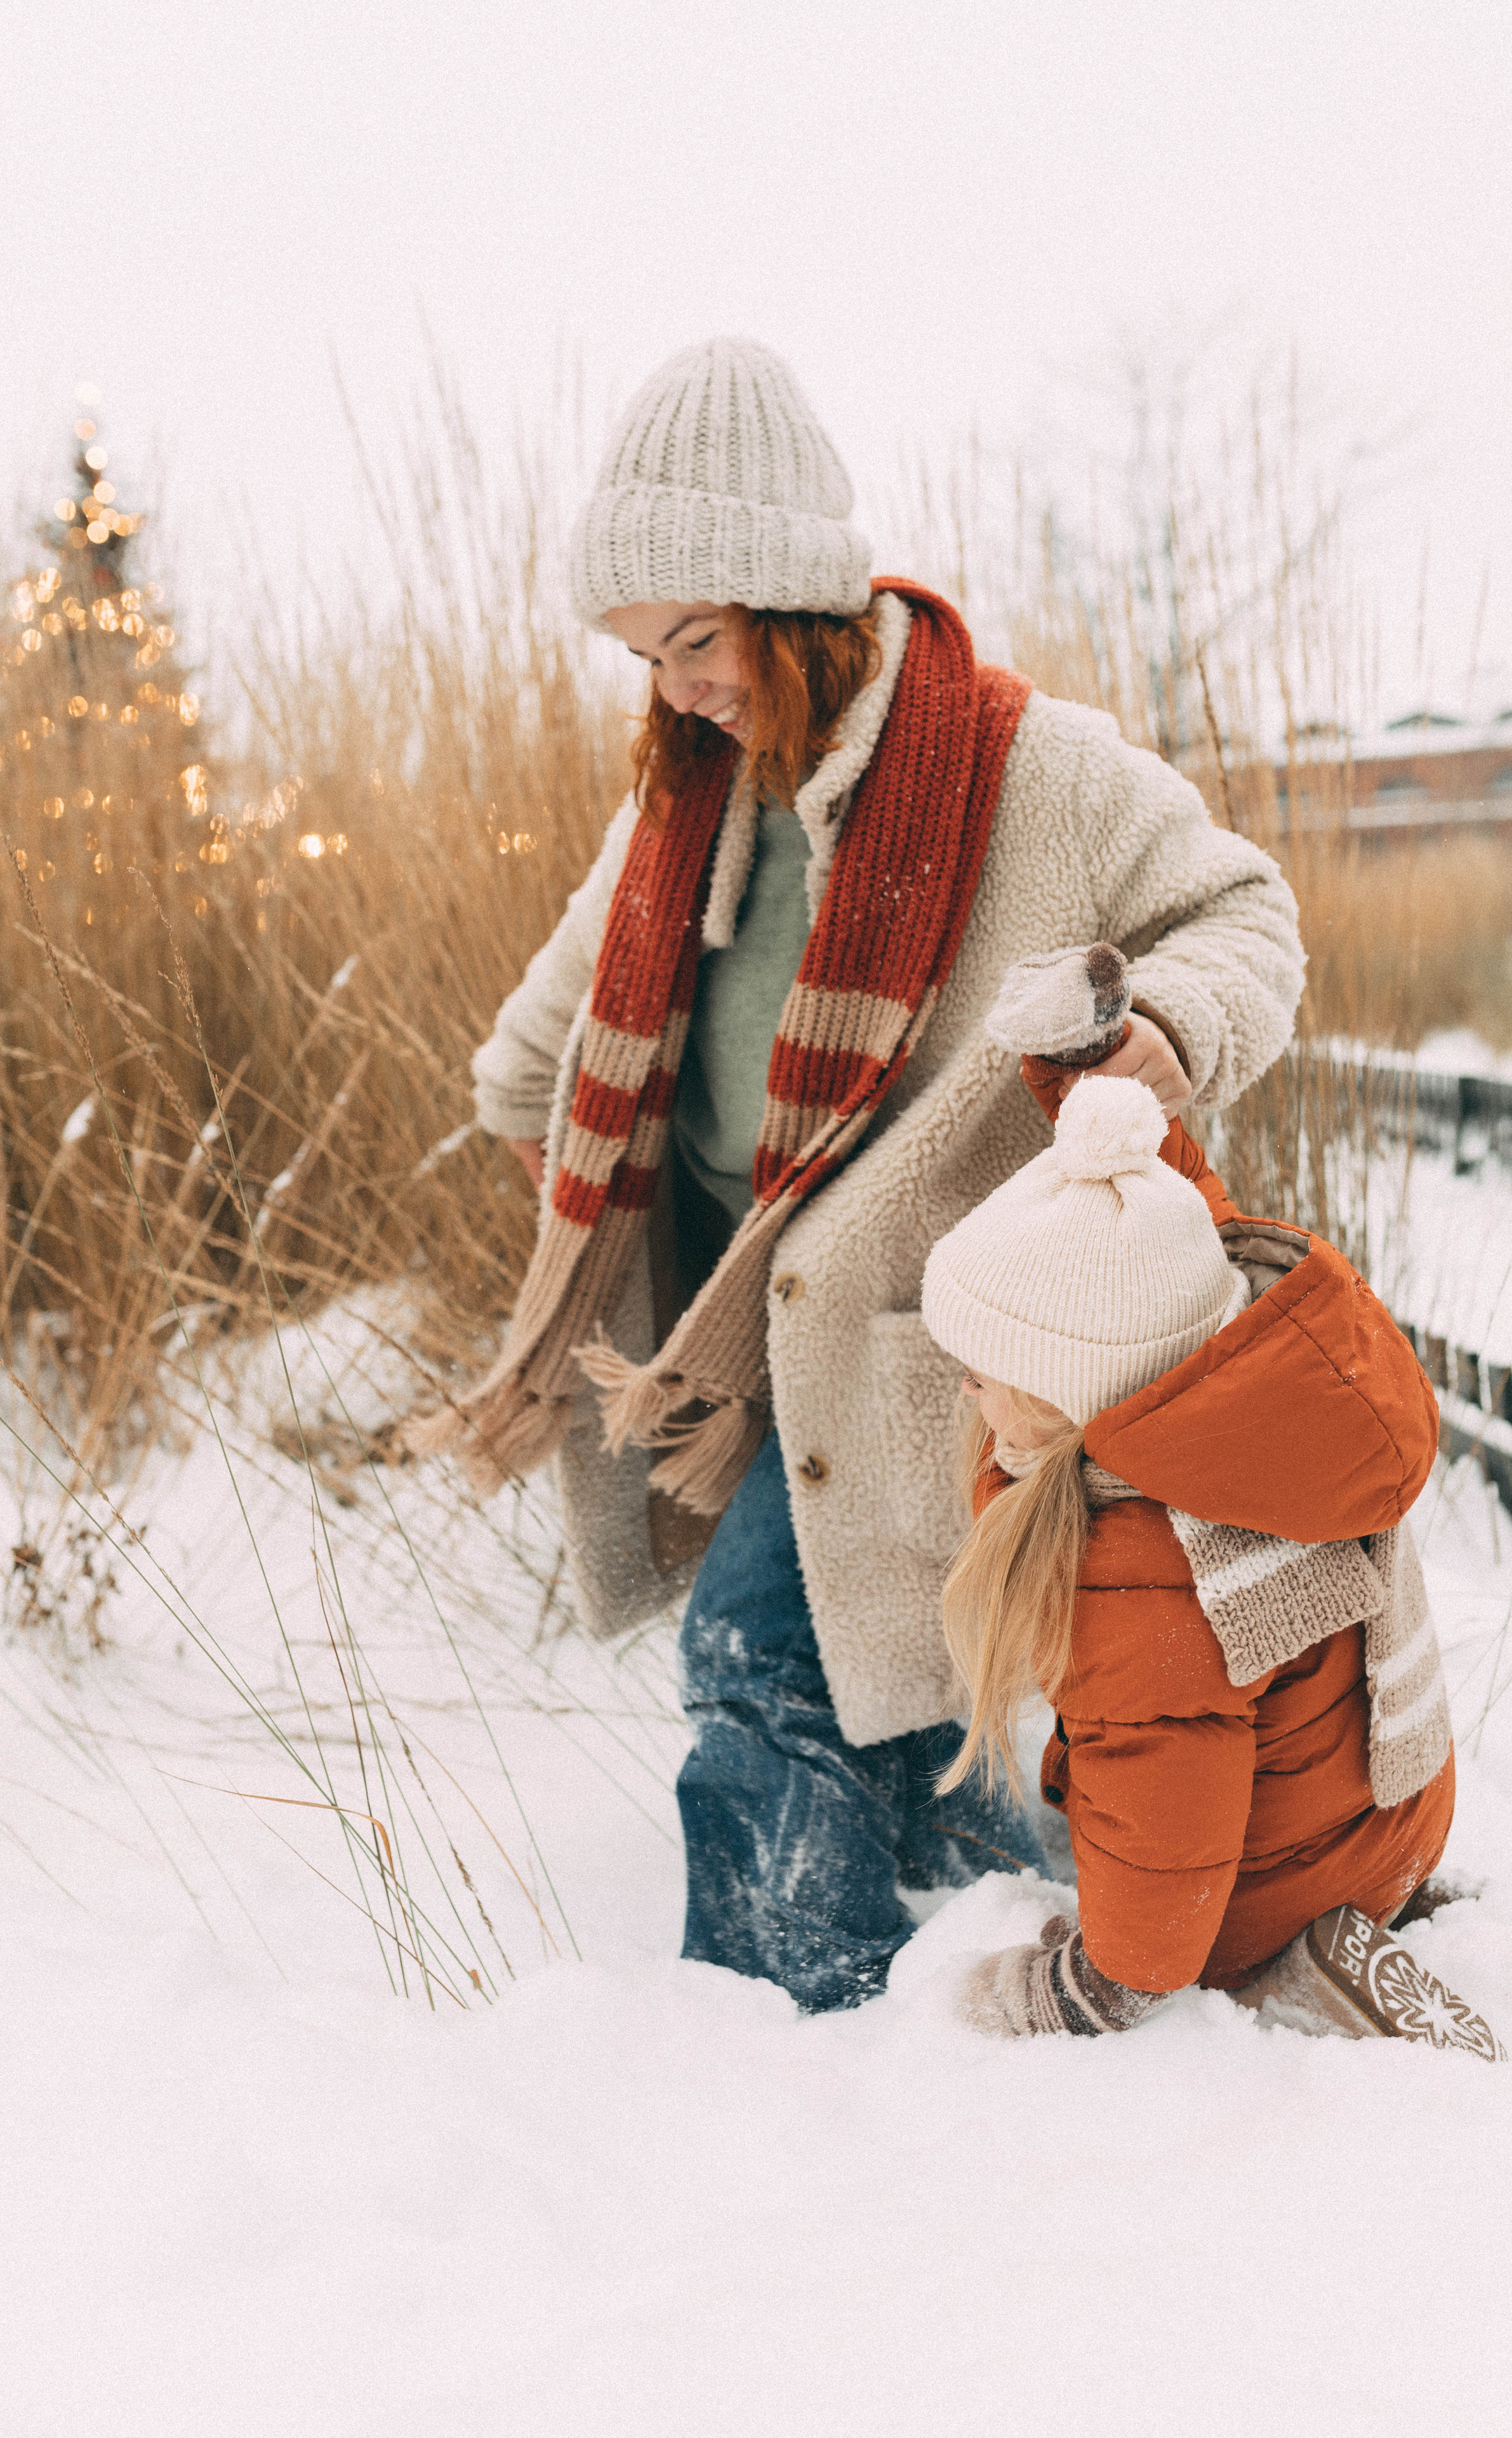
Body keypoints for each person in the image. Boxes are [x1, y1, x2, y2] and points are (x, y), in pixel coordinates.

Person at [414, 335, 1306, 2013]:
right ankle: (983, 1927)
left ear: (795, 601)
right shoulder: (686, 803)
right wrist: (584, 1185)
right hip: (741, 1323)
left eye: (698, 638)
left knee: (760, 1647)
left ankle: (780, 2024)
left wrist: (1174, 1027)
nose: (676, 685)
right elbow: (532, 1062)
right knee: (888, 1664)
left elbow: (1243, 914)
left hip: (934, 1319)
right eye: (640, 652)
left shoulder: (1029, 770)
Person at [918, 952, 1501, 2058]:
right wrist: (1081, 1075)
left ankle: (1292, 1964)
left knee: (1182, 1893)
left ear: (1074, 1387)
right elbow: (1174, 1215)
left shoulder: (1133, 1573)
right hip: (1390, 1802)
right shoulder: (1232, 1369)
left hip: (1249, 1890)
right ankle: (1381, 1896)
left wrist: (1078, 1991)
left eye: (990, 1367)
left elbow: (1163, 1864)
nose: (966, 1387)